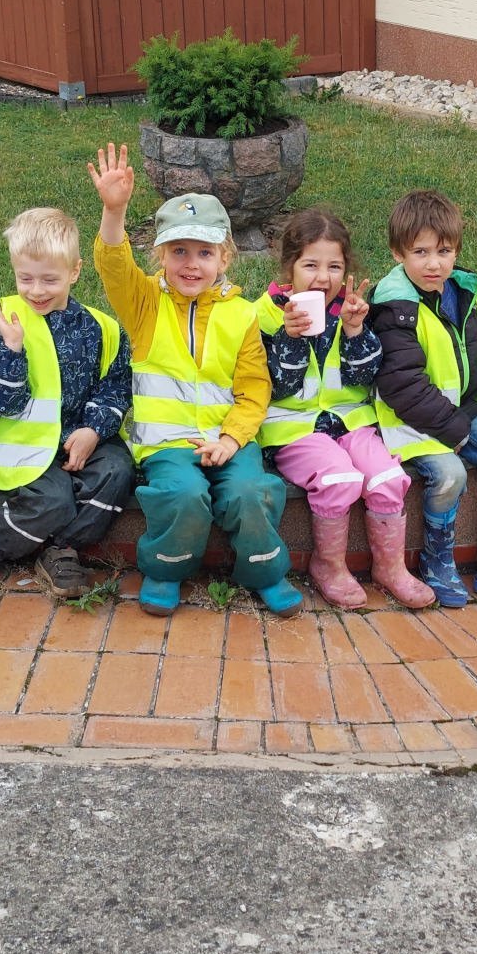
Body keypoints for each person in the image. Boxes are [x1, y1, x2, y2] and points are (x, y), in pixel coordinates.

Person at [88, 144, 302, 617]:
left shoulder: (242, 315)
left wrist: (231, 438)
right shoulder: (144, 304)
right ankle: (165, 570)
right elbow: (113, 265)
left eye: (204, 252)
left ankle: (265, 572)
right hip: (167, 444)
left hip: (230, 440)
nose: (191, 263)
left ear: (224, 258)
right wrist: (114, 210)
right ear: (161, 256)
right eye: (178, 251)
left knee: (251, 493)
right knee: (182, 496)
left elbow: (253, 389)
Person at [0, 207, 136, 599]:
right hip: (24, 442)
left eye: (50, 279)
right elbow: (2, 401)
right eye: (25, 278)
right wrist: (11, 350)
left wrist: (93, 431)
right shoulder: (7, 322)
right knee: (55, 498)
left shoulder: (102, 327)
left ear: (75, 272)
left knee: (118, 470)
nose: (36, 290)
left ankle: (62, 551)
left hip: (79, 436)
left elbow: (116, 387)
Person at [258, 209, 436, 609]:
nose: (324, 278)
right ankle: (329, 566)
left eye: (334, 266)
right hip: (294, 430)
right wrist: (290, 338)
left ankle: (390, 568)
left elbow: (364, 376)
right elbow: (276, 385)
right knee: (339, 479)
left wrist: (356, 330)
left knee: (388, 478)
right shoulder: (266, 314)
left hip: (351, 421)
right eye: (311, 265)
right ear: (290, 266)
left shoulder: (349, 310)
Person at [370, 190, 477, 607]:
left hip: (462, 409)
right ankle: (438, 559)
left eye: (444, 250)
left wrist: (469, 418)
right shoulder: (394, 306)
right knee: (450, 474)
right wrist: (456, 431)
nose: (434, 263)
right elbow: (401, 386)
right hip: (409, 420)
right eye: (420, 251)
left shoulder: (464, 292)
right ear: (398, 253)